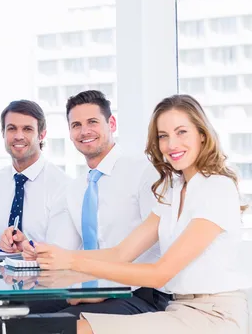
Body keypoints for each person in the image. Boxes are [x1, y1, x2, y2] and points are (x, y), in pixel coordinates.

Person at [31, 94, 250, 334]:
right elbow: (120, 253)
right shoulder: (172, 190)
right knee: (64, 325)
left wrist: (72, 262)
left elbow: (159, 274)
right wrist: (56, 256)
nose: (171, 145)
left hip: (215, 314)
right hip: (179, 307)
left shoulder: (216, 187)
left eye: (181, 132)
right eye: (163, 136)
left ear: (202, 134)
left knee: (75, 330)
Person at [23, 90, 170, 316]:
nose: (84, 131)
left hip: (141, 292)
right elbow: (65, 251)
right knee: (19, 311)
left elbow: (159, 245)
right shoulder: (75, 188)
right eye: (76, 125)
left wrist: (104, 290)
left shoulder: (144, 172)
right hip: (89, 287)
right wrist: (36, 251)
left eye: (92, 122)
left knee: (59, 322)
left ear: (111, 123)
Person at [0, 100, 78, 252]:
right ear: (3, 133)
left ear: (42, 134)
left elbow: (62, 250)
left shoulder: (62, 186)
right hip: (1, 274)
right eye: (12, 129)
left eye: (27, 129)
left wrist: (27, 246)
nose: (18, 136)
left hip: (47, 274)